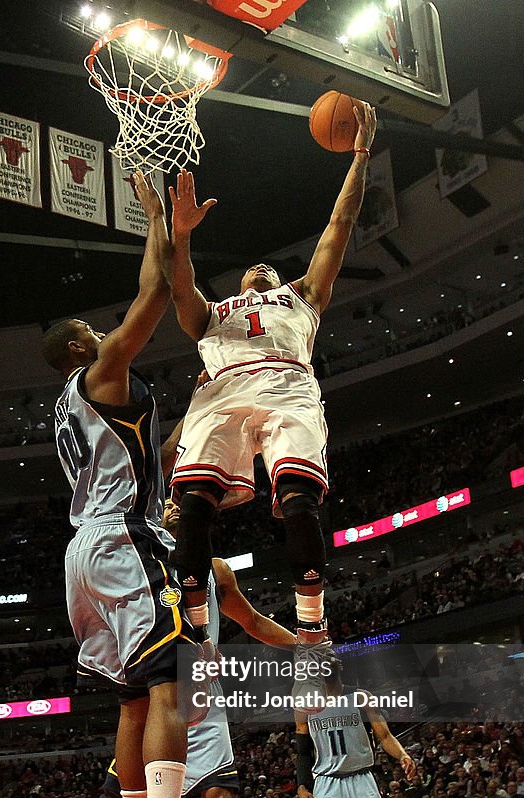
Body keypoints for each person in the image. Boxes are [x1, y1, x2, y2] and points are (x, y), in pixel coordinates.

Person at [41, 172, 222, 798]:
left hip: (84, 554)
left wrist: (154, 222)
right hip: (121, 543)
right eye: (95, 329)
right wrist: (176, 239)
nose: (102, 330)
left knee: (131, 696)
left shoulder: (70, 405)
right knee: (177, 668)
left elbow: (153, 459)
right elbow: (151, 304)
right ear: (83, 343)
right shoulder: (102, 371)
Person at [166, 104, 377, 664]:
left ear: (281, 281)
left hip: (287, 383)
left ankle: (311, 622)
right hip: (222, 390)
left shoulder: (304, 294)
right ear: (238, 285)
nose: (261, 270)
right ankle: (193, 629)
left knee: (299, 500)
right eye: (251, 270)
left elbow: (339, 226)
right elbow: (178, 285)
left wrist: (360, 157)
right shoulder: (212, 314)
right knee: (192, 506)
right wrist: (179, 236)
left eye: (269, 269)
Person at [95, 497, 296, 798]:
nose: (172, 507)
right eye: (164, 502)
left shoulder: (216, 570)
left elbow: (253, 621)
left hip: (200, 694)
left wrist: (311, 645)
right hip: (152, 695)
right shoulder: (138, 559)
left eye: (180, 503)